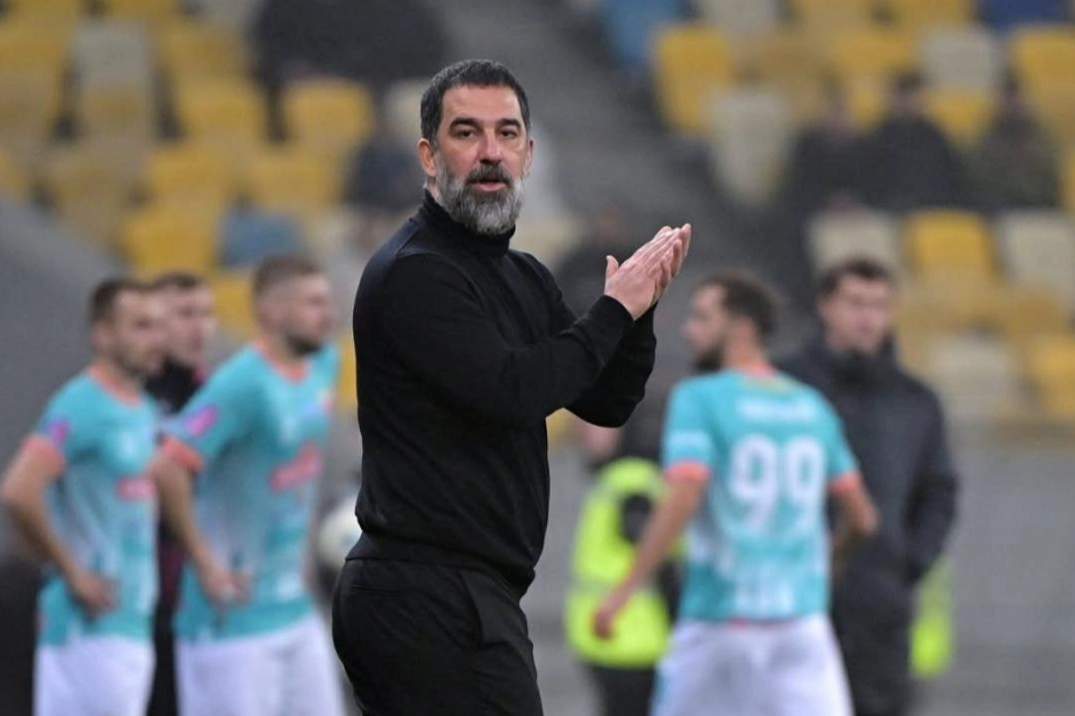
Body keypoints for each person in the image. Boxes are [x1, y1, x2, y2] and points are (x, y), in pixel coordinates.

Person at [332, 59, 691, 716]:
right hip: (420, 591)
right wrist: (614, 309)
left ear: (528, 153)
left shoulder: (524, 276)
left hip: (474, 594)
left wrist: (639, 313)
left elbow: (605, 401)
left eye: (507, 133)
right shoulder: (416, 273)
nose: (490, 151)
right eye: (466, 132)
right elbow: (513, 392)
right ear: (428, 156)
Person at [594, 272, 879, 716]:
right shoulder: (811, 407)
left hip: (722, 621)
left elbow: (683, 497)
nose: (689, 329)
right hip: (801, 623)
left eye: (703, 317)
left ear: (742, 327)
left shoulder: (700, 399)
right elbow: (861, 519)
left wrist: (624, 590)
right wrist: (829, 560)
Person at [148, 256, 345, 716]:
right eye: (314, 303)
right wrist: (205, 562)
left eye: (327, 301)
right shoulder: (240, 384)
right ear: (272, 312)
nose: (328, 314)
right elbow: (167, 466)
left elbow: (298, 470)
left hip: (293, 609)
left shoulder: (324, 365)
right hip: (229, 622)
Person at [778, 258, 959, 716]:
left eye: (879, 306)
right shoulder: (782, 384)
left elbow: (938, 491)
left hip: (881, 605)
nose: (868, 317)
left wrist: (908, 561)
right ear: (825, 306)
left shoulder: (915, 401)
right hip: (791, 599)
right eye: (855, 303)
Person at [1, 278, 167, 716]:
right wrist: (72, 571)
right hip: (87, 627)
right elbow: (19, 489)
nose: (156, 339)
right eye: (140, 326)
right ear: (103, 334)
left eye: (157, 327)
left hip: (128, 623)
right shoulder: (82, 403)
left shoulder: (142, 409)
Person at [144, 272, 217, 716]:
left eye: (206, 314)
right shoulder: (118, 396)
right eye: (185, 314)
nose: (199, 327)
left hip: (190, 603)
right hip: (122, 604)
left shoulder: (218, 398)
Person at [565, 457, 680, 716]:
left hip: (623, 635)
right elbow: (658, 556)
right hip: (632, 636)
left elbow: (650, 550)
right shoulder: (637, 480)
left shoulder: (629, 480)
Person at [859, 72, 967, 213]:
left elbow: (949, 177)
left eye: (913, 95)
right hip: (889, 209)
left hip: (931, 207)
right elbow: (872, 180)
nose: (909, 101)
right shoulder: (880, 137)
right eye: (904, 96)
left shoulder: (933, 135)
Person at [970, 76, 1059, 213]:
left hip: (1038, 206)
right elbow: (980, 178)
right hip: (1001, 207)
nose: (1012, 104)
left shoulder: (1039, 137)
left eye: (1016, 97)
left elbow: (1050, 175)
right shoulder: (987, 138)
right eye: (1008, 98)